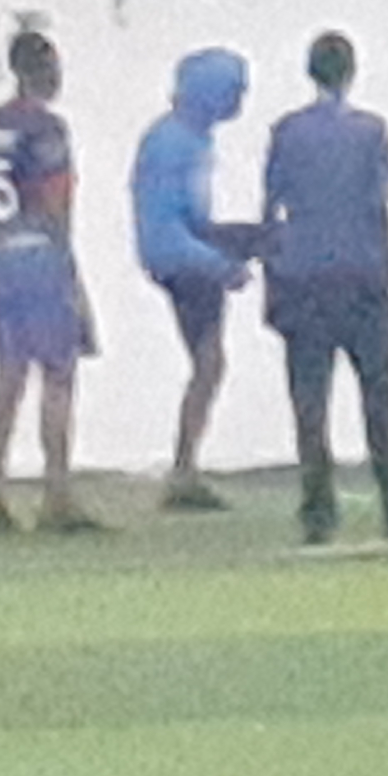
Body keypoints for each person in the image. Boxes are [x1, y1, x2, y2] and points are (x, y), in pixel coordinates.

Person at [258, 28, 388, 548]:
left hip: (303, 277)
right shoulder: (370, 132)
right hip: (360, 276)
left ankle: (317, 511)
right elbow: (377, 212)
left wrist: (272, 282)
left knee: (310, 403)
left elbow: (272, 211)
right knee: (380, 398)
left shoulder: (286, 132)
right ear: (351, 73)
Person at [0, 25, 102, 535]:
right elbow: (55, 203)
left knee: (10, 373)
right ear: (46, 71)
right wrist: (71, 277)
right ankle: (56, 495)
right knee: (58, 373)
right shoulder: (47, 131)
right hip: (37, 256)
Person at [128, 46, 257, 513]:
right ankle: (183, 471)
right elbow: (165, 228)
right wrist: (219, 265)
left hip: (191, 249)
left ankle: (186, 467)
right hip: (182, 262)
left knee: (210, 362)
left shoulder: (191, 138)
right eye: (234, 91)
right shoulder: (173, 145)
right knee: (209, 361)